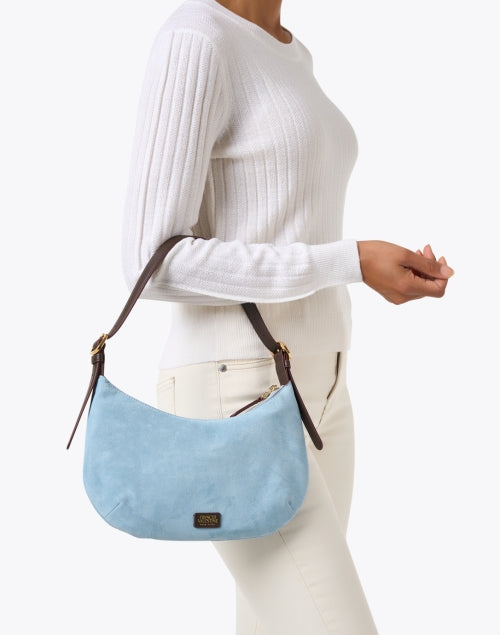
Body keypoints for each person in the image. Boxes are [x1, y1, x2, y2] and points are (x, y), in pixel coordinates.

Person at [121, 0, 454, 632]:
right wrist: (350, 260)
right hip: (237, 393)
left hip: (321, 390)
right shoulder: (197, 38)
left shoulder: (289, 51)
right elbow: (154, 262)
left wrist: (361, 266)